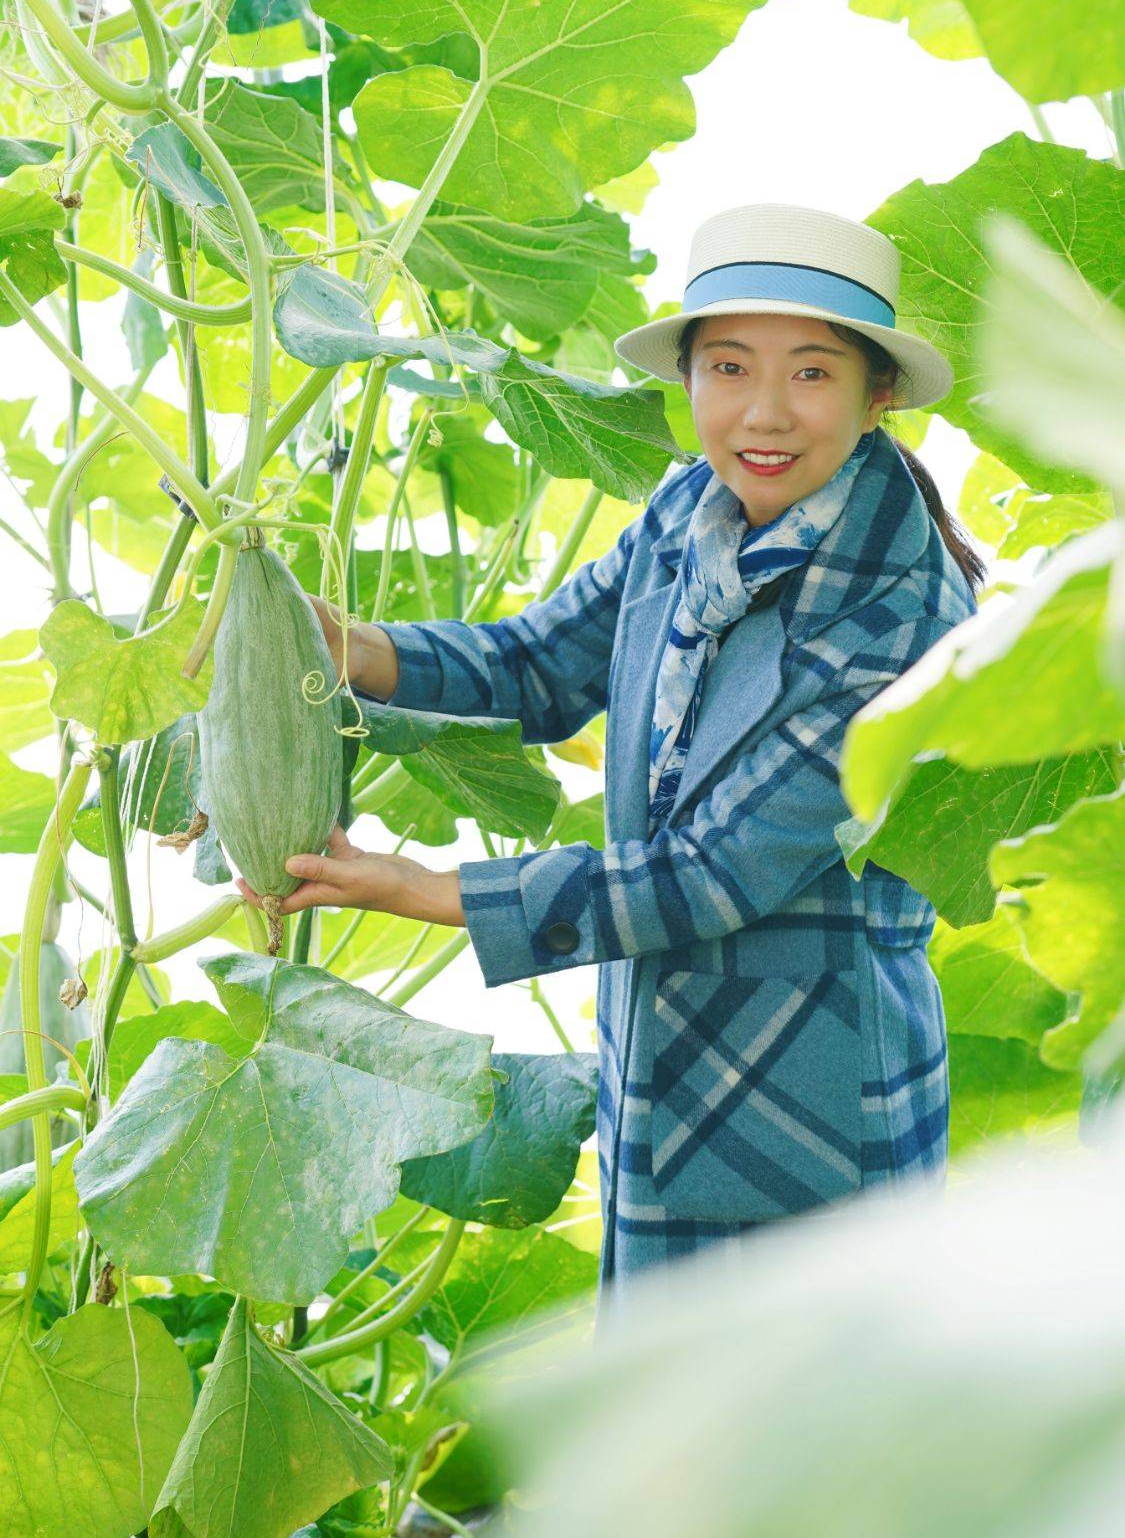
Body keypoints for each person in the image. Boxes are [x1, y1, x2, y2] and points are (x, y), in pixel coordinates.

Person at [237, 202, 986, 1313]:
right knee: (671, 1454)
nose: (764, 412)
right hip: (666, 1068)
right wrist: (356, 649)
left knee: (814, 1462)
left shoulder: (905, 616)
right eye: (728, 367)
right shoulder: (690, 504)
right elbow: (543, 663)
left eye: (813, 374)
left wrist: (421, 889)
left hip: (820, 1111)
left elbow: (713, 874)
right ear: (688, 378)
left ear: (879, 393)